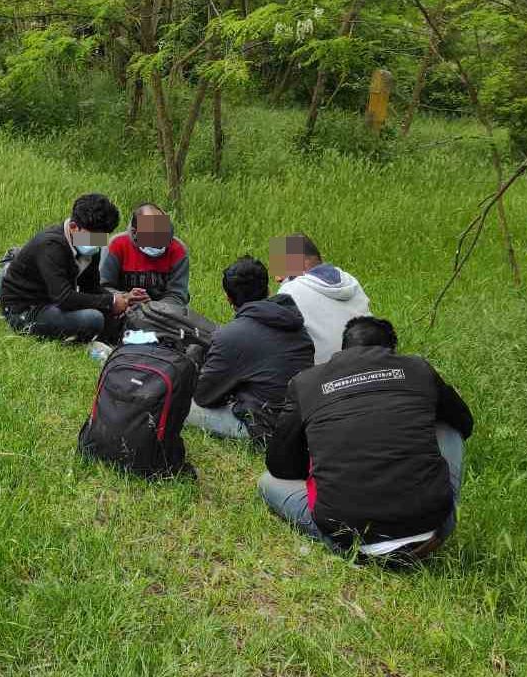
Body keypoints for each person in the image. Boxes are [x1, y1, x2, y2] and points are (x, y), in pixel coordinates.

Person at [258, 316, 474, 562]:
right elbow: (464, 423)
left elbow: (278, 464)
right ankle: (426, 517)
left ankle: (362, 542)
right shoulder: (418, 368)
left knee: (268, 482)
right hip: (433, 527)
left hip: (347, 538)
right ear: (392, 350)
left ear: (344, 348)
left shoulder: (305, 383)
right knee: (448, 424)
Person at [186, 256, 314, 444]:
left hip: (265, 428)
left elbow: (204, 397)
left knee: (178, 403)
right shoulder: (295, 322)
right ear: (268, 290)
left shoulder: (232, 336)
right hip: (301, 422)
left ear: (228, 298)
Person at [0, 193, 133, 342]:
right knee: (93, 319)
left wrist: (122, 299)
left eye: (103, 237)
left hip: (53, 300)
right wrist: (111, 302)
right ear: (73, 227)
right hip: (26, 309)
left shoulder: (90, 245)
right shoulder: (51, 246)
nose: (98, 243)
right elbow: (64, 298)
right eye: (93, 237)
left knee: (121, 318)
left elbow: (90, 288)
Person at [271, 233, 370, 365]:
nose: (278, 279)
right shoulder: (350, 280)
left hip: (328, 378)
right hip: (369, 366)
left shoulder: (290, 290)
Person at [99, 203, 190, 305]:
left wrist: (153, 307)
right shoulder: (116, 245)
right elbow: (102, 287)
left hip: (164, 311)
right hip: (123, 307)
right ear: (135, 233)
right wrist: (126, 297)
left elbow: (178, 295)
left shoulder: (178, 250)